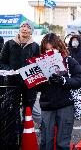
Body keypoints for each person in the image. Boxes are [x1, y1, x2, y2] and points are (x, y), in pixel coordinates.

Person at [35, 33, 81, 150]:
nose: (50, 52)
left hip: (66, 105)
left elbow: (80, 79)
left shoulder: (68, 61)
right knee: (46, 141)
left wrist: (63, 80)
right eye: (47, 50)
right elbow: (36, 87)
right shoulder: (39, 65)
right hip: (47, 106)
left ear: (60, 48)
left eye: (53, 49)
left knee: (63, 142)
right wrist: (42, 80)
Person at [0, 20, 40, 148]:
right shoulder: (9, 44)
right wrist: (9, 70)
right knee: (11, 111)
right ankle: (12, 138)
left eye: (28, 27)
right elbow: (1, 61)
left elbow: (38, 64)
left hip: (29, 84)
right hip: (12, 83)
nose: (25, 29)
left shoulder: (35, 46)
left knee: (28, 110)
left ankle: (25, 136)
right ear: (19, 28)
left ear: (31, 31)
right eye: (23, 26)